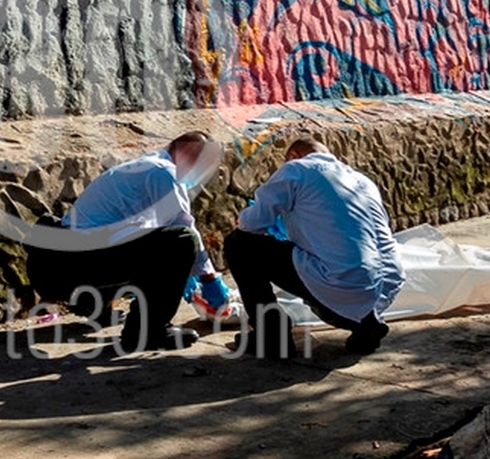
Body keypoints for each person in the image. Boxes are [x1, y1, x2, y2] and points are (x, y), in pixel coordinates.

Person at [24, 131, 226, 351]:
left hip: (59, 263)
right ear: (185, 152)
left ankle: (95, 305)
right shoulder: (163, 172)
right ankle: (146, 332)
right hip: (72, 267)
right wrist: (209, 280)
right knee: (182, 241)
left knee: (155, 245)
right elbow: (184, 228)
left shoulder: (144, 167)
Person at [224, 137, 404, 358]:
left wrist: (244, 222)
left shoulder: (297, 169)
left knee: (238, 244)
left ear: (293, 156)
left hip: (341, 283)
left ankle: (270, 336)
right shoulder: (362, 180)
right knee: (340, 264)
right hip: (388, 284)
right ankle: (366, 324)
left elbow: (252, 224)